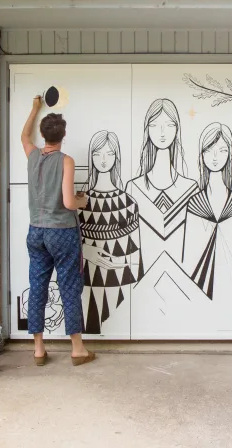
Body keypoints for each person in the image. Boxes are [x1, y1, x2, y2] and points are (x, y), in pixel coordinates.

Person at [21, 94, 95, 366]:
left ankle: (39, 349)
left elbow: (24, 136)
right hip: (61, 232)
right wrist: (81, 201)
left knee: (38, 285)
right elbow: (67, 202)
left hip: (35, 232)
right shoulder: (65, 160)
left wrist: (34, 109)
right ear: (63, 136)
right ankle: (77, 349)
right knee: (69, 286)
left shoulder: (32, 156)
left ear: (43, 135)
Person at [182, 122, 232, 304]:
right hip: (200, 291)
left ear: (230, 154)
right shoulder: (195, 204)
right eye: (209, 150)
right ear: (201, 155)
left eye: (222, 150)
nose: (215, 157)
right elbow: (188, 258)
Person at [78, 130, 143, 334]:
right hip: (85, 280)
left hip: (121, 281)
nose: (103, 160)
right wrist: (85, 251)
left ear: (117, 157)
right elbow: (70, 242)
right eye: (97, 154)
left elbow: (135, 259)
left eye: (109, 153)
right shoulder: (80, 200)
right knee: (90, 322)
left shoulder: (129, 203)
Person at [125, 99, 198, 273]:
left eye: (169, 124)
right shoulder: (134, 188)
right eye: (155, 125)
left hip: (183, 278)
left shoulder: (191, 188)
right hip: (141, 281)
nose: (162, 132)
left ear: (177, 129)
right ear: (147, 129)